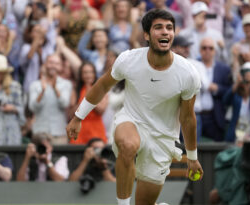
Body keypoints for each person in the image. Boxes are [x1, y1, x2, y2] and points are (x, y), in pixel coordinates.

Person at [67, 9, 203, 205]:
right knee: (128, 145)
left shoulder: (188, 74)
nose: (165, 32)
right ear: (146, 35)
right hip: (131, 121)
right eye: (158, 27)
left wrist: (192, 157)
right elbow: (102, 86)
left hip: (162, 140)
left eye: (169, 28)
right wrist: (78, 117)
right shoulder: (128, 60)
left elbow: (188, 118)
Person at [28, 54, 72, 145]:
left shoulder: (66, 84)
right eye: (51, 62)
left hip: (59, 133)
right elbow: (32, 108)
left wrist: (55, 88)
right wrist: (42, 92)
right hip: (40, 133)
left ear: (60, 67)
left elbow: (64, 104)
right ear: (45, 64)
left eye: (56, 63)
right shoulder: (35, 85)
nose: (53, 66)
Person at [198, 37, 232, 142]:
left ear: (215, 51)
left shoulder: (223, 69)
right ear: (200, 50)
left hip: (215, 116)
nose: (207, 51)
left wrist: (218, 88)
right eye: (204, 48)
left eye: (210, 48)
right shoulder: (193, 65)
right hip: (196, 115)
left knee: (216, 149)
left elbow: (230, 91)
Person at [69, 62, 108, 145]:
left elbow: (101, 110)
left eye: (91, 72)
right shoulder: (76, 90)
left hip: (96, 128)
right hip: (80, 128)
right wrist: (84, 99)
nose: (88, 75)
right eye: (85, 72)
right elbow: (71, 113)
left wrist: (90, 96)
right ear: (81, 75)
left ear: (94, 74)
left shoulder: (101, 89)